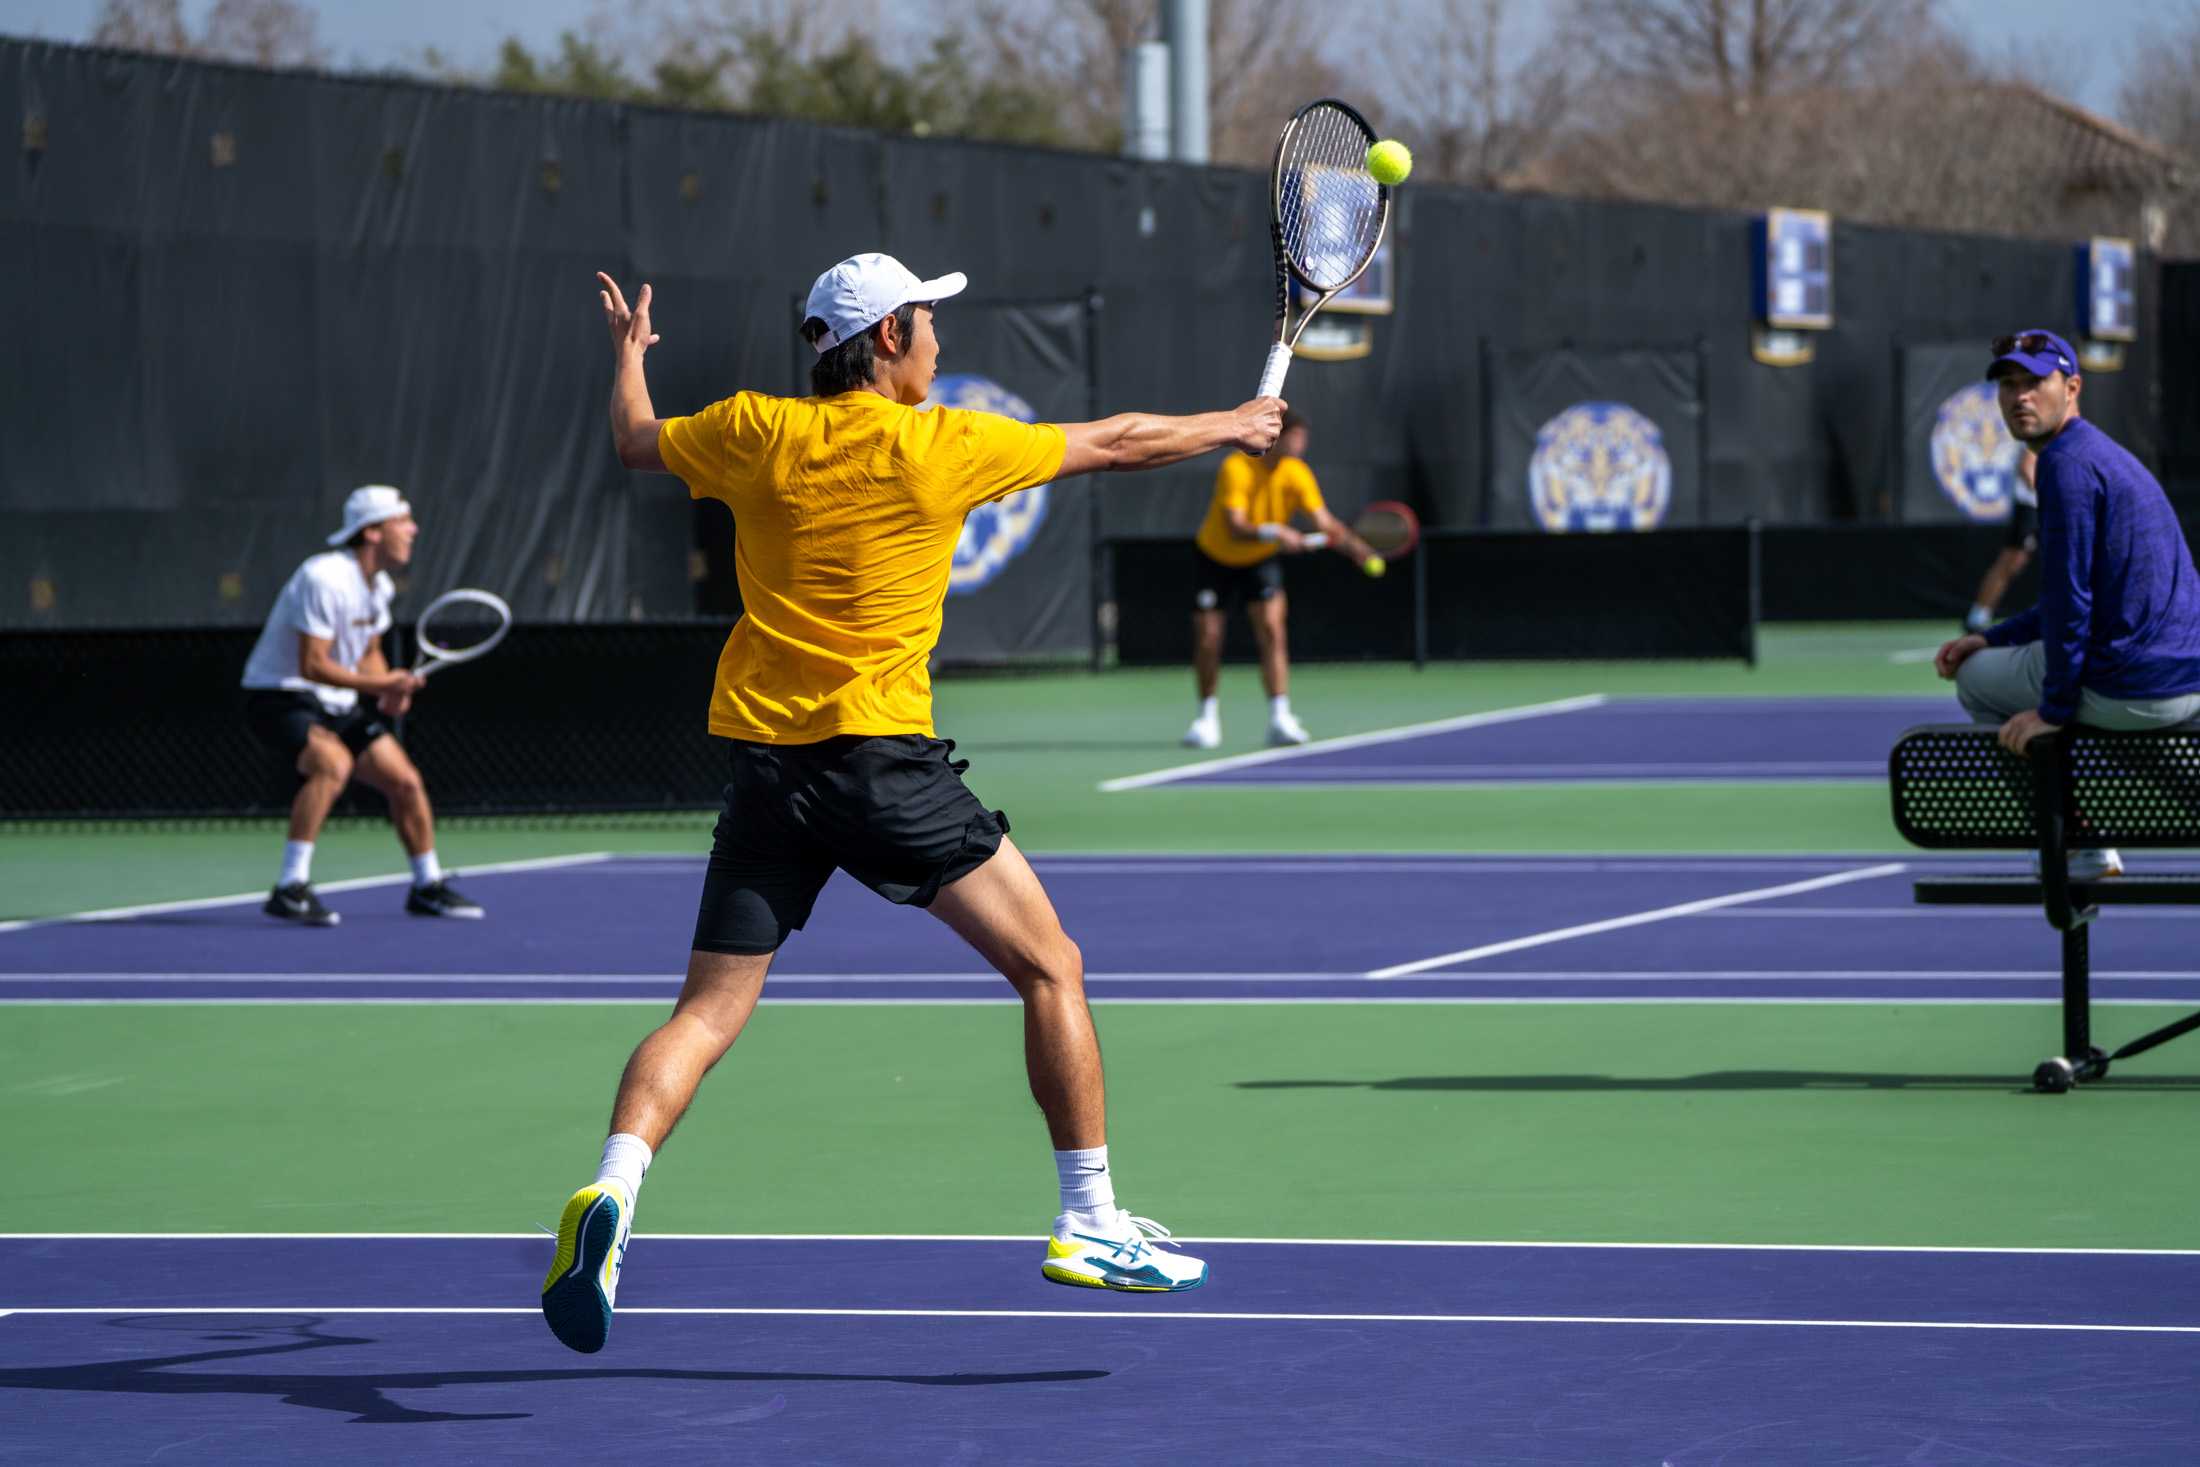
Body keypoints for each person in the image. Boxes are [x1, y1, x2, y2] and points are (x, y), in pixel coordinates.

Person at [541, 252, 1285, 1354]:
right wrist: (1234, 420)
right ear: (887, 338)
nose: (942, 335)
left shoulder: (752, 430)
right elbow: (1119, 443)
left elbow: (634, 441)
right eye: (929, 319)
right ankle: (1089, 1221)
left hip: (767, 774)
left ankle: (611, 1193)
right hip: (883, 768)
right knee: (1052, 966)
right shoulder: (944, 445)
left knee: (702, 1015)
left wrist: (628, 362)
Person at [1933, 329, 2200, 879]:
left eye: (2034, 382)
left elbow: (2071, 603)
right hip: (2182, 683)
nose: (2019, 396)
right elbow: (2080, 600)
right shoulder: (2107, 456)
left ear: (2072, 386)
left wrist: (2050, 713)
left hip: (2134, 689)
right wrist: (1996, 634)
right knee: (2091, 690)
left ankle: (2075, 842)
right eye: (2009, 384)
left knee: (1976, 680)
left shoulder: (2065, 465)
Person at [239, 485, 482, 925]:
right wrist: (378, 684)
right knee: (332, 764)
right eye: (402, 521)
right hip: (279, 694)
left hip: (333, 700)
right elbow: (312, 664)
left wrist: (388, 688)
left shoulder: (378, 587)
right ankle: (290, 888)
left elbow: (369, 654)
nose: (413, 529)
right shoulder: (323, 577)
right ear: (372, 532)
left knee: (405, 780)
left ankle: (427, 887)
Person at [1182, 412, 1382, 750]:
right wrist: (1277, 532)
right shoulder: (1237, 467)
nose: (1301, 445)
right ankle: (1206, 718)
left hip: (1260, 560)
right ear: (1276, 437)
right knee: (1208, 639)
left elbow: (1325, 523)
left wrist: (1358, 550)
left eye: (1304, 438)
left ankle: (1280, 718)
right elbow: (1235, 525)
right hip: (1215, 558)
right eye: (1295, 438)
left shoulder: (1297, 474)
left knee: (1273, 629)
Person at [1962, 445, 2039, 634]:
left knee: (2016, 564)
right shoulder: (2039, 436)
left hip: (2035, 509)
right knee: (2010, 562)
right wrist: (2045, 493)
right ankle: (1977, 617)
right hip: (2030, 509)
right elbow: (2026, 467)